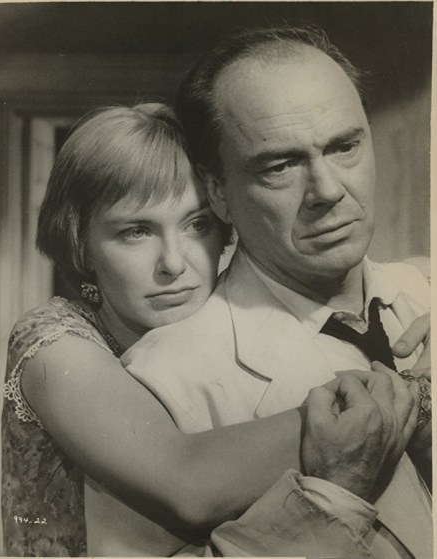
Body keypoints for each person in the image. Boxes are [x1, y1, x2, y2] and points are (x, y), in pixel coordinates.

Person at [1, 103, 420, 558]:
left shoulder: (230, 329)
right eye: (137, 232)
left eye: (197, 224)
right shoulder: (51, 342)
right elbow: (187, 482)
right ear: (81, 244)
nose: (174, 264)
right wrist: (409, 394)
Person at [124, 26, 432, 558]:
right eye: (280, 165)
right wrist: (330, 499)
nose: (328, 190)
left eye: (345, 146)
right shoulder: (164, 383)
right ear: (218, 192)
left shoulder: (426, 288)